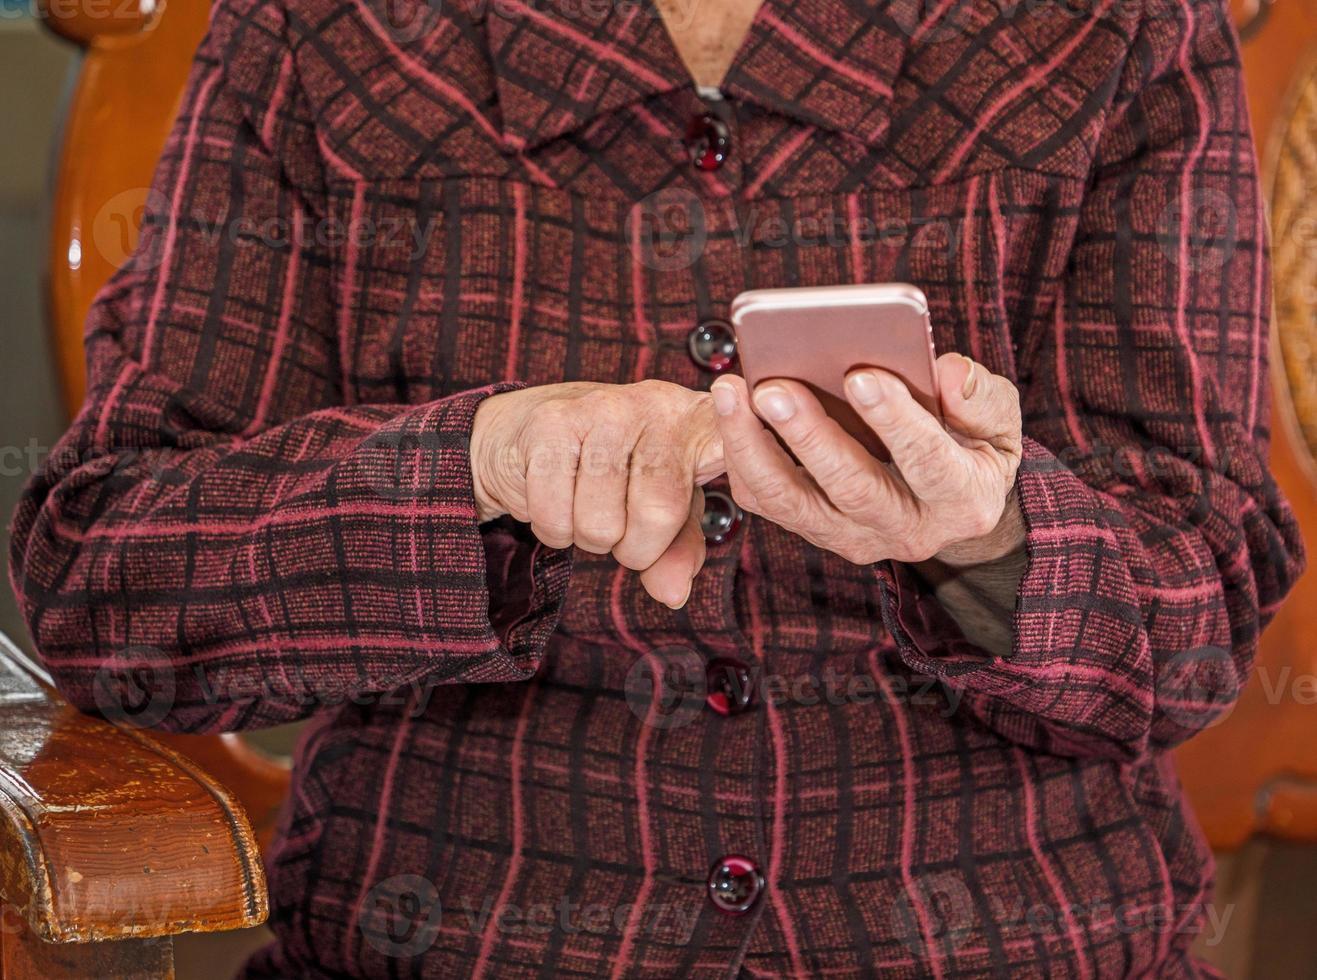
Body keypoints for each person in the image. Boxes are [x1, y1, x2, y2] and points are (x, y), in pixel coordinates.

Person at [9, 0, 1305, 975]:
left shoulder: (1112, 26)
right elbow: (110, 591)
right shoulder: (324, 34)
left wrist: (992, 541)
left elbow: (1190, 640)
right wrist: (465, 473)